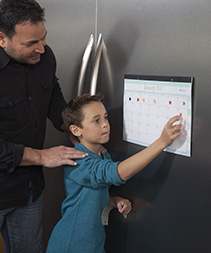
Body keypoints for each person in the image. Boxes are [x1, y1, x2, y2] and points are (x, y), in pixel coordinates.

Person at [0, 0, 88, 253]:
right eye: (31, 43)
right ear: (1, 38)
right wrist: (42, 156)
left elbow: (54, 101)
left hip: (28, 191)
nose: (42, 48)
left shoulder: (44, 56)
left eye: (43, 37)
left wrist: (76, 129)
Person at [46, 93, 182, 253]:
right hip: (71, 244)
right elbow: (119, 173)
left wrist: (114, 199)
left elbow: (91, 193)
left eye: (105, 117)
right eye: (96, 121)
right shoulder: (77, 161)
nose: (105, 124)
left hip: (94, 241)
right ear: (76, 130)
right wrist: (161, 142)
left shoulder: (103, 155)